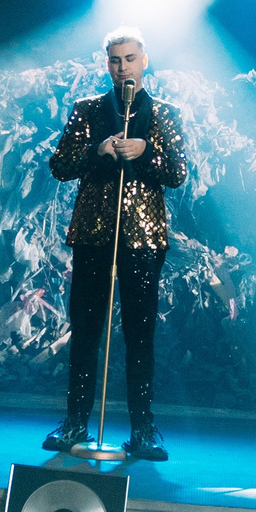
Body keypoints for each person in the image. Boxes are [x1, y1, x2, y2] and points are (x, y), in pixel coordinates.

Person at [45, 27, 188, 460]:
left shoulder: (164, 113)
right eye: (114, 59)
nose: (122, 67)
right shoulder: (87, 110)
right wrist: (99, 150)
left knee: (140, 333)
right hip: (93, 235)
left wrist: (146, 152)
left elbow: (178, 172)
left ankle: (142, 429)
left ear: (144, 61)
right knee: (86, 330)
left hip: (142, 237)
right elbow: (59, 164)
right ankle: (75, 422)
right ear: (106, 64)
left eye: (129, 58)